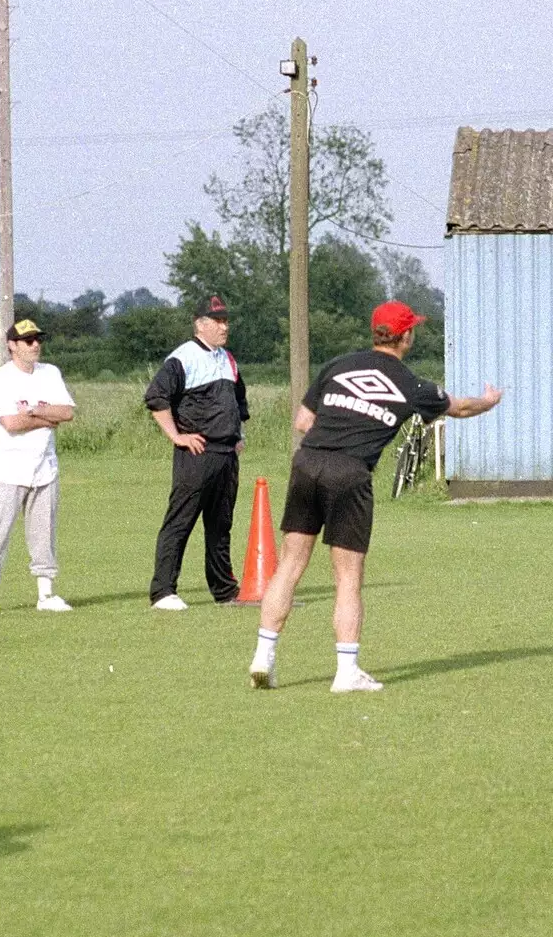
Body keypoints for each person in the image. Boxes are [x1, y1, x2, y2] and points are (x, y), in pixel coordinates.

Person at [248, 300, 502, 692]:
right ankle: (346, 672)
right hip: (349, 473)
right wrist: (490, 400)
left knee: (290, 564)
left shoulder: (338, 365)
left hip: (307, 463)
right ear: (406, 337)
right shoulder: (411, 385)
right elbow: (461, 407)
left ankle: (263, 658)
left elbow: (302, 422)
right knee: (347, 579)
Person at [144, 295, 249, 610]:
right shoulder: (183, 358)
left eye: (226, 320)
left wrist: (238, 435)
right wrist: (177, 436)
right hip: (197, 453)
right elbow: (156, 398)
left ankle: (224, 590)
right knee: (181, 521)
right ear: (200, 324)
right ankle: (163, 591)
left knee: (221, 525)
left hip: (226, 454)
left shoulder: (228, 359)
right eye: (217, 321)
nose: (224, 326)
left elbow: (239, 402)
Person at [0, 319, 76, 614]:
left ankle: (46, 594)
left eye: (37, 339)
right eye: (28, 341)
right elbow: (12, 423)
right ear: (12, 345)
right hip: (8, 469)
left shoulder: (50, 373)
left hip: (44, 468)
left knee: (44, 533)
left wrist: (36, 410)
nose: (35, 345)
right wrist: (46, 418)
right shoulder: (1, 379)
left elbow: (66, 413)